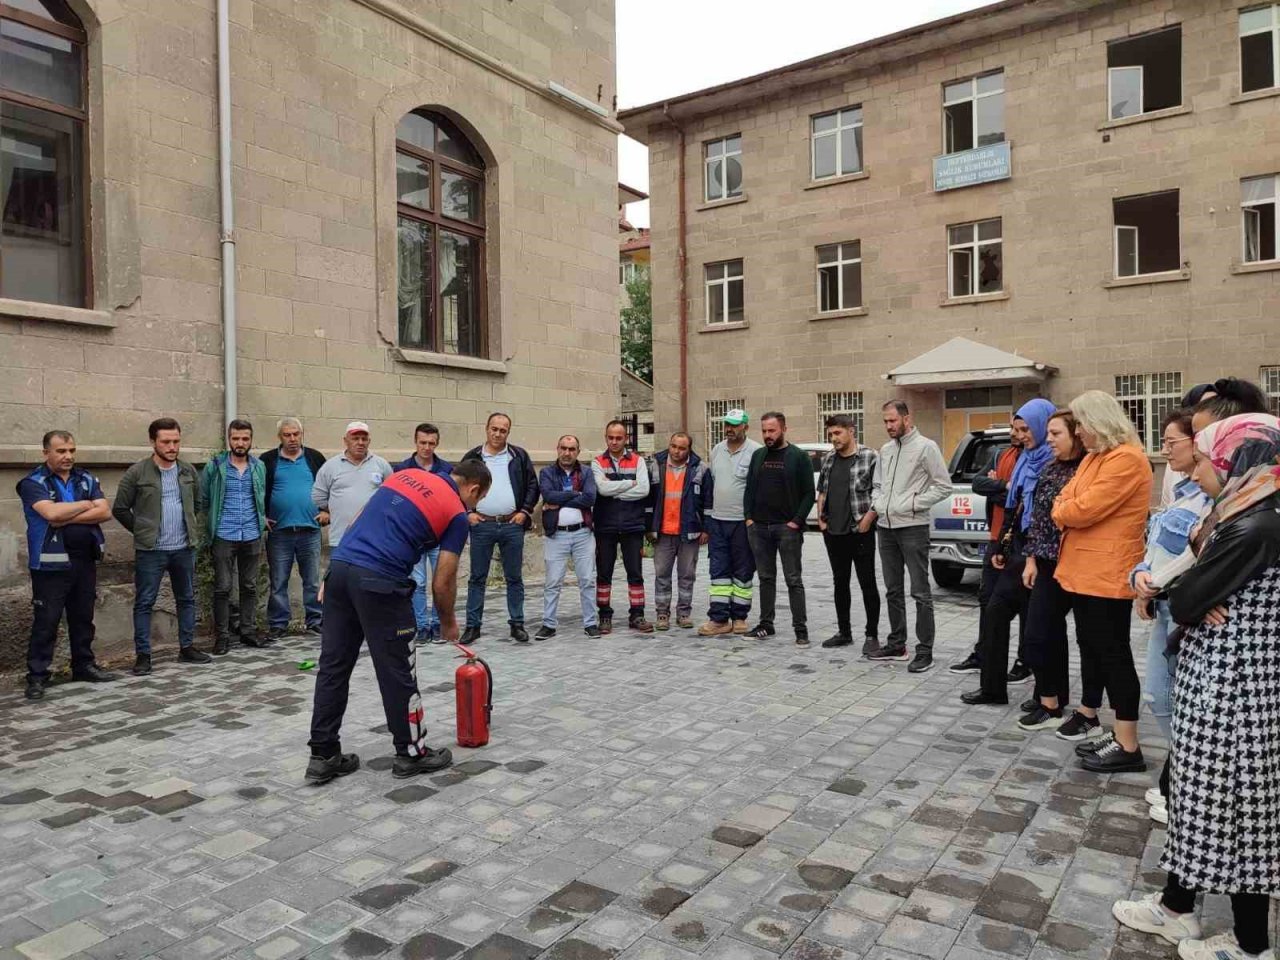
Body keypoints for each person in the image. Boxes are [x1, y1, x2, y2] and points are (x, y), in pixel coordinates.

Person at [1112, 413, 1280, 960]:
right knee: (1197, 799)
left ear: (1238, 463)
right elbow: (1188, 585)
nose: (1200, 472)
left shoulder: (1255, 524)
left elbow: (1185, 598)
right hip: (1219, 680)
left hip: (1238, 690)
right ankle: (1176, 908)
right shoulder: (1240, 510)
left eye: (1207, 461)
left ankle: (1250, 943)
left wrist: (1185, 593)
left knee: (1240, 811)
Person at [306, 459, 492, 784]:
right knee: (398, 672)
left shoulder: (406, 476)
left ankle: (323, 755)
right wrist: (448, 622)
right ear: (474, 489)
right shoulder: (456, 514)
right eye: (478, 500)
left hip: (341, 572)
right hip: (381, 583)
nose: (474, 506)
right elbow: (443, 581)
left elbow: (357, 520)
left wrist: (334, 571)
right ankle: (411, 752)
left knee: (333, 666)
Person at [1050, 390, 1152, 772]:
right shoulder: (1096, 458)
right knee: (1093, 649)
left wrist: (1065, 510)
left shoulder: (1126, 459)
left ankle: (1129, 745)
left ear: (1099, 423)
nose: (1079, 433)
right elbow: (1067, 498)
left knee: (1114, 655)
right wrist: (1066, 509)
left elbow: (1083, 508)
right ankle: (1116, 731)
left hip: (1107, 574)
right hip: (1083, 573)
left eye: (1081, 425)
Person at [1130, 409, 1212, 824]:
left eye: (1171, 442)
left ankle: (1191, 786)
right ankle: (1185, 780)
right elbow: (1156, 549)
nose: (1165, 450)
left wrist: (1155, 581)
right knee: (1160, 699)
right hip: (1163, 606)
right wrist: (1141, 576)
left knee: (1176, 703)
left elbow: (1194, 559)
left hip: (1185, 612)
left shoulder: (1217, 497)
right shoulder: (1183, 489)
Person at [18, 431, 118, 700]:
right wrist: (86, 505)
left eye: (71, 450)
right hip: (50, 565)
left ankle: (83, 665)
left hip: (84, 559)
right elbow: (50, 515)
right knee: (46, 621)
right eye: (61, 451)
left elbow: (105, 511)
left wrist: (67, 513)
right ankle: (37, 676)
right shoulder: (32, 482)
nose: (68, 456)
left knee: (83, 616)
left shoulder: (84, 478)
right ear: (46, 453)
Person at [113, 418, 213, 674]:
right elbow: (120, 508)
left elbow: (197, 504)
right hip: (151, 550)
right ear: (153, 442)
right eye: (166, 442)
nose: (172, 446)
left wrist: (189, 528)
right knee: (145, 602)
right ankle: (144, 656)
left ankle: (187, 647)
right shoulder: (137, 472)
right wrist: (143, 530)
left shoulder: (188, 471)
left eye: (176, 441)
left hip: (183, 548)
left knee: (187, 598)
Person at [866, 400, 952, 672]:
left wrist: (914, 503)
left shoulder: (926, 447)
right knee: (892, 590)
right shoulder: (887, 450)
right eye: (885, 422)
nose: (889, 426)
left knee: (920, 592)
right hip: (886, 528)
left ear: (906, 418)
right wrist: (879, 504)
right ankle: (897, 643)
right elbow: (878, 484)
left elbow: (943, 486)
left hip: (913, 527)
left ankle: (924, 650)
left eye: (893, 421)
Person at [1016, 409, 1085, 732]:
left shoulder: (1088, 470)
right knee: (1038, 634)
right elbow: (1037, 519)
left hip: (1080, 563)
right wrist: (1030, 559)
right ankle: (1049, 702)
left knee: (1089, 641)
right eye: (1050, 433)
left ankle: (1085, 710)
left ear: (1076, 435)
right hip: (1045, 563)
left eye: (1057, 434)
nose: (1050, 440)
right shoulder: (1049, 468)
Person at [950, 418, 1023, 675]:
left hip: (1021, 541)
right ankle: (983, 654)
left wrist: (1000, 491)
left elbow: (1023, 496)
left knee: (1024, 604)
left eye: (1021, 429)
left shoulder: (1036, 460)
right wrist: (1003, 485)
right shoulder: (1000, 454)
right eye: (1014, 428)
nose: (1015, 433)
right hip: (996, 539)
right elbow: (978, 484)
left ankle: (1024, 662)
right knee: (987, 599)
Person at [460, 413, 538, 643]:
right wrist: (468, 513)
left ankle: (517, 623)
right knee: (477, 577)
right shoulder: (473, 457)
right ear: (486, 429)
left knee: (514, 577)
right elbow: (457, 486)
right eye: (494, 429)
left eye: (503, 430)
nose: (497, 434)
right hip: (482, 524)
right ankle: (473, 626)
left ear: (508, 433)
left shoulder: (518, 456)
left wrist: (525, 511)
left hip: (511, 525)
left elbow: (533, 484)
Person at [743, 412, 816, 644]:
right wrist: (749, 518)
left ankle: (800, 629)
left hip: (787, 529)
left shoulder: (799, 457)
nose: (767, 435)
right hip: (759, 528)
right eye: (764, 430)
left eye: (772, 430)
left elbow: (808, 493)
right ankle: (766, 624)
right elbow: (749, 489)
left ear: (784, 429)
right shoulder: (758, 456)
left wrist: (796, 521)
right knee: (765, 578)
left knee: (793, 579)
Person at [201, 419, 268, 655]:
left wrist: (261, 524)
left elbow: (260, 498)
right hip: (224, 534)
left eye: (245, 438)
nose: (240, 443)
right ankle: (222, 637)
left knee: (249, 586)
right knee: (223, 587)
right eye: (236, 438)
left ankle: (248, 631)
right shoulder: (215, 466)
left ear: (251, 440)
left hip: (251, 533)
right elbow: (205, 500)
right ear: (229, 439)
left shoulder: (259, 466)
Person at [815, 414, 879, 651]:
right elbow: (822, 490)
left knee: (867, 583)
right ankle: (844, 632)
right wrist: (821, 520)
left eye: (837, 433)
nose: (833, 438)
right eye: (831, 434)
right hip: (834, 532)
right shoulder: (830, 458)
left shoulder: (870, 456)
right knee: (840, 583)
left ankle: (871, 636)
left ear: (852, 431)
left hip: (860, 532)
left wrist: (868, 520)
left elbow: (879, 493)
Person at [698, 409, 762, 636]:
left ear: (745, 426)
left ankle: (740, 617)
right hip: (718, 521)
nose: (729, 429)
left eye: (734, 425)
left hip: (742, 523)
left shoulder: (756, 451)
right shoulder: (717, 450)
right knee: (719, 571)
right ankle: (719, 619)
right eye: (727, 424)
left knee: (743, 570)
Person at [261, 417, 326, 640]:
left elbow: (329, 487)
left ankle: (315, 621)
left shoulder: (315, 458)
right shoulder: (268, 460)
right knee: (278, 580)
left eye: (296, 434)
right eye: (287, 435)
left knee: (312, 580)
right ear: (280, 437)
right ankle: (279, 623)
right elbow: (258, 490)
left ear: (302, 434)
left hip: (310, 530)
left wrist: (327, 511)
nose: (292, 439)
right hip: (280, 532)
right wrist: (261, 516)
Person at [646, 432, 712, 631]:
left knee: (687, 575)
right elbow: (648, 501)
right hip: (663, 532)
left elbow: (708, 503)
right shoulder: (655, 466)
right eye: (673, 446)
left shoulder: (700, 469)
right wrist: (649, 527)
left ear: (689, 449)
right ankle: (662, 613)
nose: (676, 451)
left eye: (682, 448)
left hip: (689, 532)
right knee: (662, 575)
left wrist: (706, 528)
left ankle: (684, 613)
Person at [592, 420, 653, 634]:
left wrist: (614, 490)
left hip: (632, 525)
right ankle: (604, 616)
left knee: (635, 573)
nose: (614, 441)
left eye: (619, 437)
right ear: (606, 437)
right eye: (611, 437)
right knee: (604, 573)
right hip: (605, 526)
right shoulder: (598, 461)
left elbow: (644, 490)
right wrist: (630, 483)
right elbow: (601, 489)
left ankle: (637, 615)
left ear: (625, 438)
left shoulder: (638, 461)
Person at [394, 423, 452, 645]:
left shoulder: (446, 469)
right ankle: (421, 626)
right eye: (422, 443)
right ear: (415, 442)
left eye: (431, 443)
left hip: (439, 535)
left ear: (437, 444)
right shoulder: (402, 469)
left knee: (441, 582)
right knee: (416, 583)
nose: (427, 447)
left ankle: (438, 625)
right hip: (413, 537)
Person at [537, 435, 600, 640]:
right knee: (553, 582)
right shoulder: (547, 472)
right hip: (556, 535)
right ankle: (548, 624)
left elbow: (590, 497)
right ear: (557, 449)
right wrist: (575, 494)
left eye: (572, 449)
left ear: (578, 452)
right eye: (563, 448)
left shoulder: (587, 472)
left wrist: (562, 498)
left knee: (587, 580)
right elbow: (548, 496)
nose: (567, 453)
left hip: (583, 533)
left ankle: (590, 623)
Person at [312, 422, 392, 550]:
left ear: (369, 441)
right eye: (355, 438)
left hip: (374, 539)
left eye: (364, 439)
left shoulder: (382, 465)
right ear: (345, 441)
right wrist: (333, 509)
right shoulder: (330, 466)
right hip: (340, 538)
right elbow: (318, 496)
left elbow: (392, 496)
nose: (360, 442)